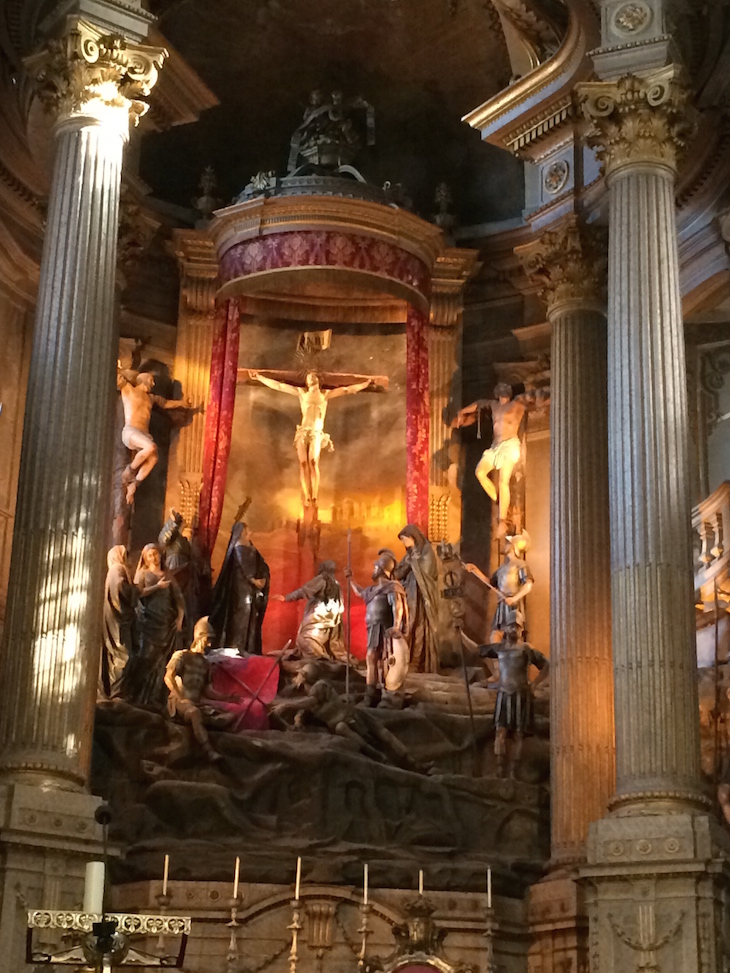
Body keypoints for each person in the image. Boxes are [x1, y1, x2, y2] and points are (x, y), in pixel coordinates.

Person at [271, 662, 426, 773]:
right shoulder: (309, 699)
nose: (296, 677)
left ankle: (413, 761)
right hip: (342, 723)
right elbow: (305, 711)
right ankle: (379, 757)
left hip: (351, 716)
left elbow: (310, 701)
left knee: (383, 734)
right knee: (342, 728)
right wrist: (294, 722)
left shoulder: (320, 686)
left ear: (305, 677)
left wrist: (286, 705)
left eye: (300, 674)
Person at [249, 369, 373, 506]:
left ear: (319, 380)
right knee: (303, 464)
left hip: (316, 432)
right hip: (303, 431)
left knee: (313, 462)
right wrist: (259, 378)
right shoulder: (302, 393)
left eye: (314, 376)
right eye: (309, 377)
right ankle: (307, 496)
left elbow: (347, 390)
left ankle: (314, 495)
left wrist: (366, 384)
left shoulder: (325, 394)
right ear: (306, 382)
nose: (311, 377)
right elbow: (279, 386)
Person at [453, 383, 547, 533]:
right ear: (497, 394)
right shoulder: (494, 405)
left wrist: (542, 398)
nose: (504, 395)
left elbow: (535, 395)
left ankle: (502, 520)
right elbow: (478, 404)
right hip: (495, 446)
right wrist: (461, 412)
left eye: (506, 392)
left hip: (509, 445)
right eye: (501, 393)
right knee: (480, 472)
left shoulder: (517, 402)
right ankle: (497, 498)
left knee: (504, 481)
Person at [480, 613, 548, 778]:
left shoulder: (526, 649)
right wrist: (460, 634)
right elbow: (477, 650)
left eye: (517, 626)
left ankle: (512, 771)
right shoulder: (500, 648)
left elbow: (546, 665)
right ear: (504, 628)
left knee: (518, 734)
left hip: (521, 695)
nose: (514, 629)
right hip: (504, 694)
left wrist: (534, 684)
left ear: (521, 629)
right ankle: (499, 768)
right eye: (511, 626)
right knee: (500, 731)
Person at [164, 616, 240, 761]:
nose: (210, 644)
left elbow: (207, 690)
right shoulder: (181, 656)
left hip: (196, 703)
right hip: (179, 702)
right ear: (199, 637)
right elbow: (169, 677)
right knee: (194, 713)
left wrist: (228, 698)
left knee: (229, 716)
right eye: (208, 639)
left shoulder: (206, 664)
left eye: (211, 640)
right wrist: (180, 697)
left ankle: (209, 736)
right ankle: (208, 750)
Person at [122, 543, 185, 708]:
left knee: (162, 661)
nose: (154, 558)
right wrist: (157, 587)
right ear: (145, 558)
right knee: (146, 657)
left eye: (156, 554)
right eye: (150, 555)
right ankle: (138, 694)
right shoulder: (143, 574)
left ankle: (156, 697)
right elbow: (137, 593)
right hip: (148, 623)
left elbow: (179, 600)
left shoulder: (168, 575)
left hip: (165, 623)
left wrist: (179, 618)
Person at [346, 549, 409, 708]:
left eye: (375, 567)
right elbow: (360, 592)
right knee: (371, 659)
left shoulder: (392, 587)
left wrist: (395, 626)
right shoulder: (372, 590)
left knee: (386, 662)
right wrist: (351, 579)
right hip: (373, 628)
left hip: (385, 629)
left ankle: (387, 696)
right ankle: (370, 695)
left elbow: (397, 607)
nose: (373, 570)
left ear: (381, 569)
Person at [118, 370, 191, 505]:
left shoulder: (150, 398)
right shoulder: (129, 390)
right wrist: (118, 367)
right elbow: (118, 378)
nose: (153, 383)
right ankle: (129, 470)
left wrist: (182, 403)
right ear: (144, 379)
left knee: (154, 458)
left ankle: (134, 485)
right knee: (151, 447)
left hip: (144, 434)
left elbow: (166, 403)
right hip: (131, 432)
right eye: (151, 380)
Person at [210, 521, 270, 654]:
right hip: (241, 589)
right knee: (241, 618)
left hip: (251, 589)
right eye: (246, 530)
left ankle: (248, 648)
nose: (250, 532)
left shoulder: (250, 546)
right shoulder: (239, 547)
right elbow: (245, 567)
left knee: (250, 617)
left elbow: (261, 564)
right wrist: (254, 580)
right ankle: (237, 647)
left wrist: (263, 578)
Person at [464, 530, 533, 643]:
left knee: (513, 638)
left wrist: (514, 599)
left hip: (513, 607)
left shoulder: (521, 565)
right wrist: (474, 569)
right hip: (502, 606)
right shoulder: (502, 568)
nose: (505, 545)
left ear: (513, 546)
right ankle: (498, 660)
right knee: (496, 637)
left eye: (507, 543)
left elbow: (528, 585)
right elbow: (490, 583)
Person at [271, 560, 344, 659]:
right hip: (330, 619)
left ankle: (320, 657)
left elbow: (304, 590)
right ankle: (319, 657)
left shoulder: (321, 579)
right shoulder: (337, 584)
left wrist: (286, 598)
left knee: (305, 639)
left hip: (318, 616)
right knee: (312, 639)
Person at [394, 524, 440, 674]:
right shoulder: (409, 556)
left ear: (413, 537)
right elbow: (398, 573)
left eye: (405, 540)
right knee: (408, 626)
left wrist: (412, 563)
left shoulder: (426, 552)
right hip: (410, 595)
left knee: (420, 627)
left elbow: (428, 572)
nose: (404, 543)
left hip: (422, 597)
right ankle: (405, 659)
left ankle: (418, 661)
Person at [100, 545, 137, 698]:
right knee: (123, 655)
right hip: (118, 621)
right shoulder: (117, 569)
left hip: (119, 618)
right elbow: (122, 589)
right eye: (125, 555)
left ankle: (118, 692)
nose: (128, 559)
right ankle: (117, 693)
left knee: (121, 655)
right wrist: (137, 590)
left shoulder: (117, 570)